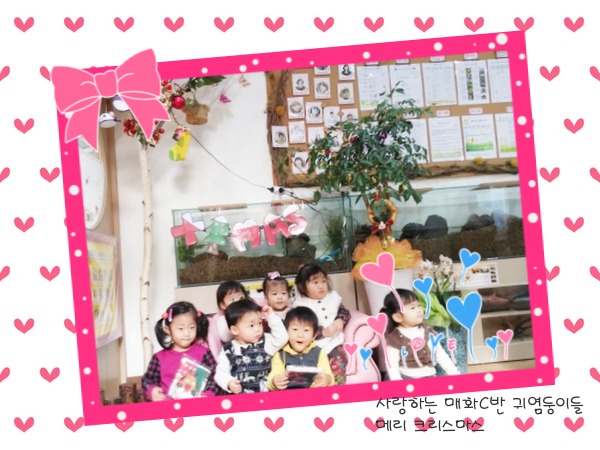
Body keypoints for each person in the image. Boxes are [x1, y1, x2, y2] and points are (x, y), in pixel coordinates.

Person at [141, 301, 221, 401]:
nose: (187, 333)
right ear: (168, 330)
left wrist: (209, 394)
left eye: (192, 327)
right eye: (181, 328)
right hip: (167, 408)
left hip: (199, 407)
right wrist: (151, 390)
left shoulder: (204, 353)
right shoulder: (159, 358)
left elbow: (216, 377)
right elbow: (147, 380)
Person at [380, 289, 460, 380]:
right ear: (398, 317)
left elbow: (440, 354)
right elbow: (391, 363)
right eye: (412, 308)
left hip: (430, 376)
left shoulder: (428, 330)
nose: (419, 310)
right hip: (406, 378)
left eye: (418, 305)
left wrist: (455, 374)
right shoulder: (395, 338)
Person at [292, 263, 350, 384]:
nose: (321, 286)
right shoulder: (300, 305)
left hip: (334, 343)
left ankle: (339, 388)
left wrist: (340, 319)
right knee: (310, 370)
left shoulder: (333, 297)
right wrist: (322, 332)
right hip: (311, 346)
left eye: (323, 281)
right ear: (303, 287)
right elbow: (302, 328)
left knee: (339, 361)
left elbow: (344, 312)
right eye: (315, 283)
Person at [215, 298, 288, 394]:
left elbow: (282, 338)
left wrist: (271, 316)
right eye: (251, 325)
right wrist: (228, 382)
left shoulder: (266, 342)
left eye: (260, 323)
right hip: (238, 397)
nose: (258, 329)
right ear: (235, 330)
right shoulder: (228, 350)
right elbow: (220, 373)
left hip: (264, 395)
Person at [268, 306, 334, 390]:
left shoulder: (319, 353)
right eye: (295, 329)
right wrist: (274, 381)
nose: (300, 335)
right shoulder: (280, 354)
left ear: (314, 335)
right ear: (286, 332)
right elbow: (273, 376)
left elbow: (329, 375)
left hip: (314, 394)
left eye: (306, 330)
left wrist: (327, 379)